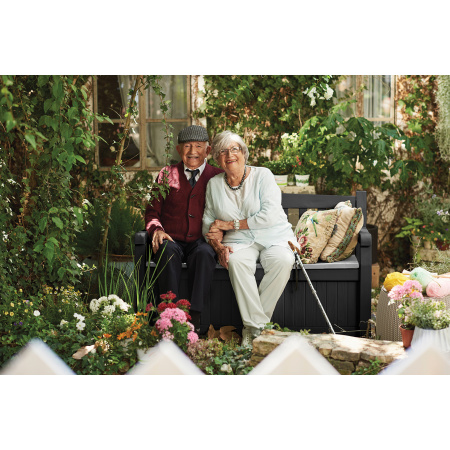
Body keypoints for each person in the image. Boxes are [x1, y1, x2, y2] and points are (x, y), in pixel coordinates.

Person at [203, 130, 296, 347]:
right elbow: (208, 221)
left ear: (244, 153)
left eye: (234, 149)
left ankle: (252, 331)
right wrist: (217, 244)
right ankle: (259, 331)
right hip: (239, 241)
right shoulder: (214, 184)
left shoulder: (263, 175)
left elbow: (269, 216)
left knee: (283, 260)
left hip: (274, 235)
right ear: (217, 159)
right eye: (223, 151)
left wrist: (228, 225)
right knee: (235, 262)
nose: (229, 155)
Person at [145, 125, 223, 332]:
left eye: (198, 146)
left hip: (202, 240)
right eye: (187, 146)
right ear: (179, 150)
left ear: (208, 150)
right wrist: (157, 229)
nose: (192, 151)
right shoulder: (166, 174)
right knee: (166, 251)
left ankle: (194, 318)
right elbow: (152, 212)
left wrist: (221, 232)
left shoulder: (218, 176)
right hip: (172, 238)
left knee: (205, 254)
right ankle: (170, 316)